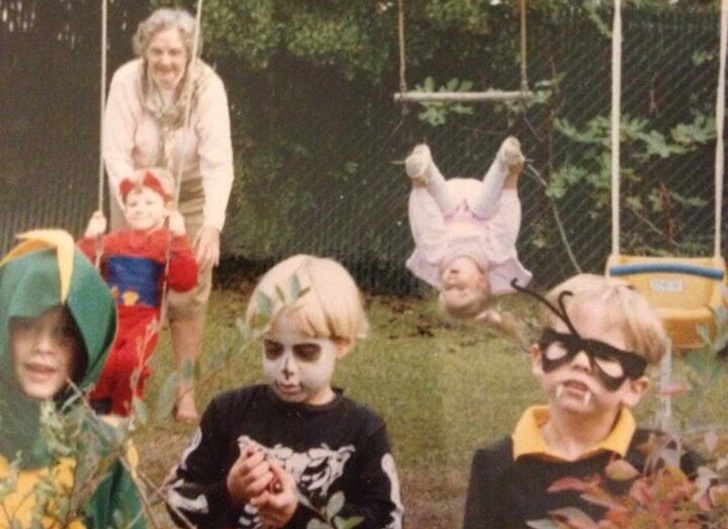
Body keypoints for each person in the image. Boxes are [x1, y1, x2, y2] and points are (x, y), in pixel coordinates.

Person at [165, 255, 404, 529]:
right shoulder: (228, 412)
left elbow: (390, 523)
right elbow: (175, 497)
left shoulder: (362, 430)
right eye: (273, 349)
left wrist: (301, 512)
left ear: (342, 344)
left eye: (306, 353)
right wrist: (228, 492)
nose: (287, 367)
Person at [462, 274, 702, 529]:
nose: (581, 362)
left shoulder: (668, 461)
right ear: (537, 358)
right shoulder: (496, 467)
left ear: (634, 389)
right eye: (566, 344)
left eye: (604, 354)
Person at [103, 7, 234, 422]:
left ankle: (185, 391)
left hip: (191, 191)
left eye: (175, 53)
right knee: (128, 283)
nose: (165, 61)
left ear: (190, 53)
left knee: (188, 289)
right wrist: (139, 208)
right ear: (144, 50)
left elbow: (218, 163)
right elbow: (115, 152)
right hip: (136, 189)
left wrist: (211, 224)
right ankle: (117, 381)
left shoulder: (209, 88)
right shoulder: (126, 80)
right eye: (157, 52)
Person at [0, 229, 145, 529]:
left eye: (64, 332)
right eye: (27, 325)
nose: (43, 346)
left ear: (87, 346)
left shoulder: (103, 453)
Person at [78, 168, 198, 416]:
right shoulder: (114, 241)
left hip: (144, 320)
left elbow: (184, 282)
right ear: (125, 209)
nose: (139, 208)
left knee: (131, 360)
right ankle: (99, 405)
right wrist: (90, 238)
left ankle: (124, 410)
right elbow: (81, 267)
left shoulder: (167, 242)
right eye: (133, 203)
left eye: (148, 202)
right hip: (111, 316)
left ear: (167, 209)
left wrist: (181, 238)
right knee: (106, 358)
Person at [404, 136, 532, 322]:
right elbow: (507, 221)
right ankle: (503, 161)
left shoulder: (438, 256)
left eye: (446, 289)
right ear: (481, 281)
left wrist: (418, 185)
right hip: (479, 201)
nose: (450, 283)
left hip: (449, 201)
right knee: (483, 210)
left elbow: (425, 220)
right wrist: (512, 178)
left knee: (433, 232)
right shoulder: (493, 256)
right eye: (461, 289)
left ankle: (423, 166)